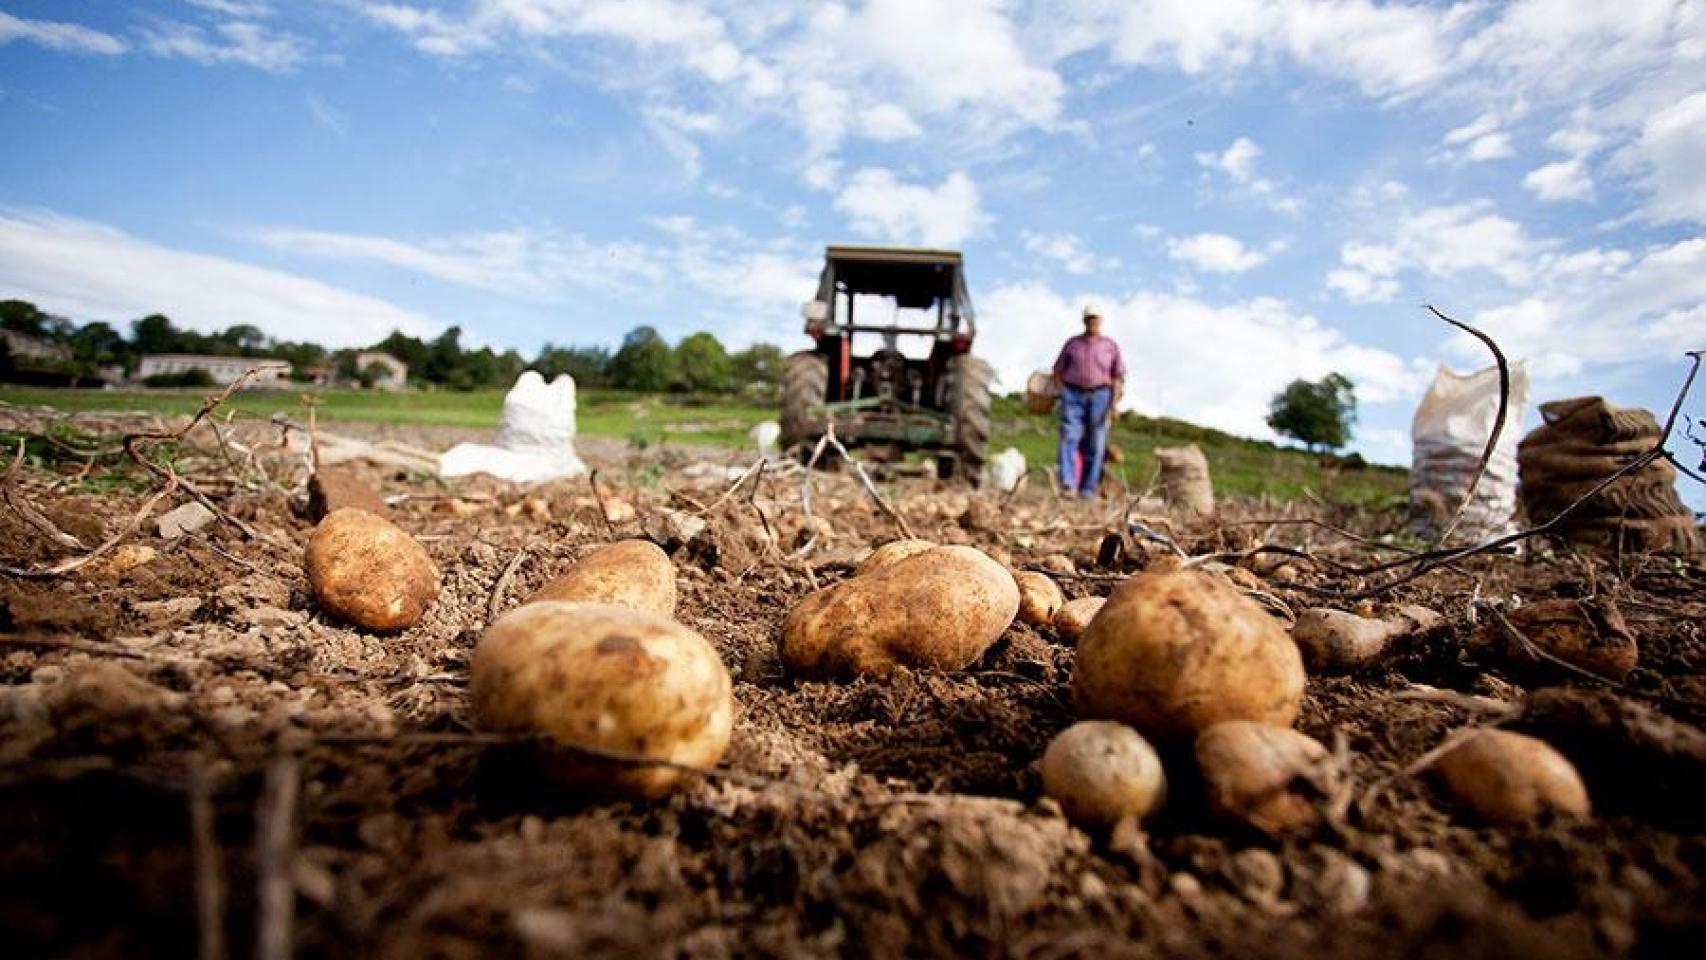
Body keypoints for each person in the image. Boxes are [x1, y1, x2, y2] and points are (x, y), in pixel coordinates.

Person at [1052, 304, 1125, 498]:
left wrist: (1114, 404)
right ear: (1084, 321)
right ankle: (1068, 483)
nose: (1092, 322)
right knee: (1069, 436)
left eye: (1095, 319)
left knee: (1096, 443)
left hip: (1101, 396)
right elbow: (1057, 370)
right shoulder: (1073, 344)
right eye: (1089, 319)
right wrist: (1061, 392)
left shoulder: (1110, 346)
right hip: (1073, 394)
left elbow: (1118, 376)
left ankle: (1088, 489)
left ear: (1101, 321)